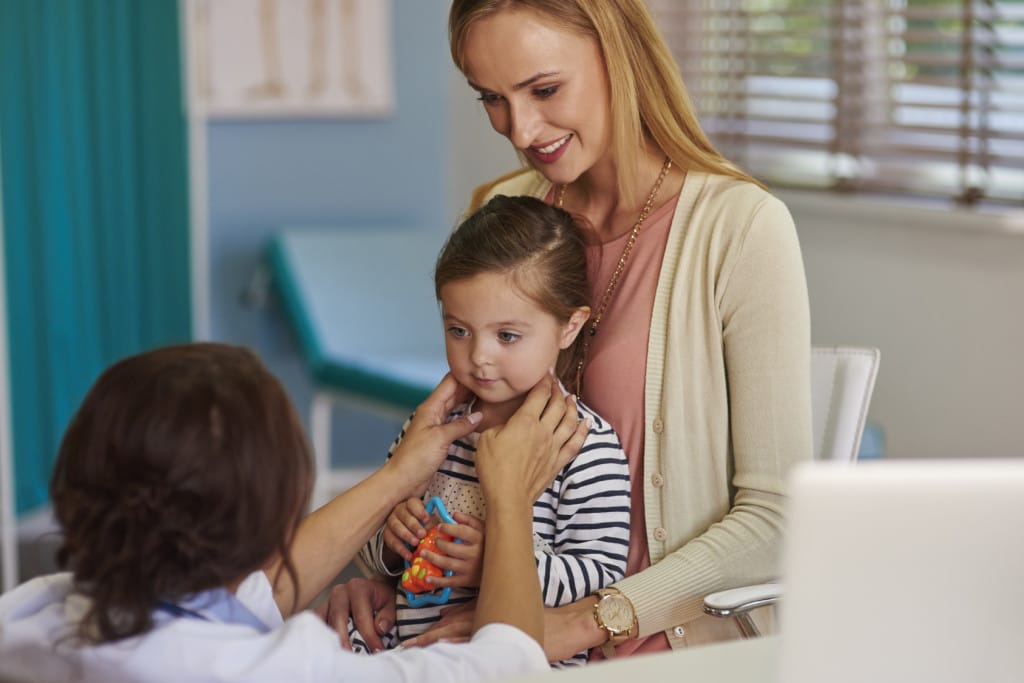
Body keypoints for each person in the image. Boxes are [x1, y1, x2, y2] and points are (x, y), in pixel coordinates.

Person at [325, 0, 812, 663]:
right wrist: (387, 576)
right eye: (492, 99)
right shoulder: (504, 213)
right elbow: (449, 457)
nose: (521, 128)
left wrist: (579, 622)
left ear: (618, 54)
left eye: (545, 89)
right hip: (486, 632)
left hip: (657, 647)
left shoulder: (741, 229)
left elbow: (778, 522)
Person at [0, 342, 589, 682]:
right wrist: (510, 498)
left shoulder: (35, 614)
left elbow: (244, 600)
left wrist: (396, 480)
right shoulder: (290, 671)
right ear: (278, 517)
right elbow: (509, 669)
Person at [348, 195, 631, 667]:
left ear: (569, 326)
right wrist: (392, 544)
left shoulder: (583, 446)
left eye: (507, 336)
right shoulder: (431, 431)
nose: (479, 356)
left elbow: (599, 574)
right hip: (413, 659)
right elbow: (371, 553)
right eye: (459, 330)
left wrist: (499, 564)